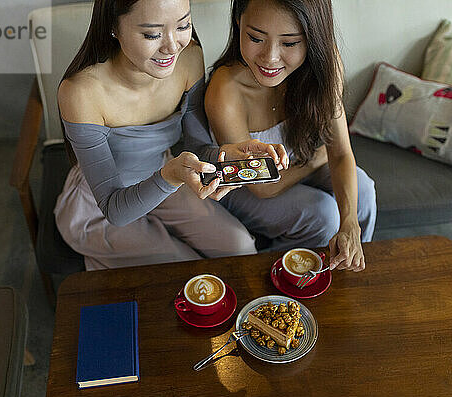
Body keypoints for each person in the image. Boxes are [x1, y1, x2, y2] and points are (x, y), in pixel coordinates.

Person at [54, 0, 288, 270]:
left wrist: (230, 153)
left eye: (183, 25)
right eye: (152, 34)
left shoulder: (188, 57)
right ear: (113, 27)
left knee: (241, 247)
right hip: (100, 207)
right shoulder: (81, 92)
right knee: (182, 267)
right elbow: (114, 209)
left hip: (167, 178)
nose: (172, 46)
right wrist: (170, 176)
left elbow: (199, 148)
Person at [205, 0, 377, 271]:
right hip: (245, 186)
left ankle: (349, 266)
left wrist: (350, 224)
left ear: (313, 38)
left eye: (289, 43)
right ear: (239, 21)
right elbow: (262, 185)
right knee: (322, 213)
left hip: (296, 164)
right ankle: (290, 283)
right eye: (255, 38)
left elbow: (341, 152)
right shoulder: (226, 89)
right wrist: (317, 156)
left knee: (364, 189)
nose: (270, 58)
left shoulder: (325, 67)